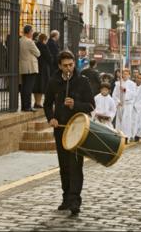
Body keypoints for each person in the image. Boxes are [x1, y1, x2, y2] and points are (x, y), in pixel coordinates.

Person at [43, 50, 95, 216]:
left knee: (75, 165)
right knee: (64, 166)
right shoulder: (53, 82)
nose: (68, 69)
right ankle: (66, 197)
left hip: (77, 129)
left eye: (71, 65)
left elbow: (91, 106)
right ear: (59, 65)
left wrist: (76, 105)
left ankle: (75, 200)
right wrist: (51, 118)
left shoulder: (82, 82)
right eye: (65, 66)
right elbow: (46, 104)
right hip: (60, 129)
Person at [19, 25, 40, 112]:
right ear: (29, 32)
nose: (32, 33)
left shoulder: (20, 40)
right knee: (29, 87)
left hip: (23, 67)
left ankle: (24, 106)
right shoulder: (29, 42)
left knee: (24, 87)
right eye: (32, 31)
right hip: (30, 67)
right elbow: (38, 53)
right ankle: (28, 106)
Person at [112, 68, 136, 143]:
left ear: (129, 75)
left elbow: (133, 94)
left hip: (127, 104)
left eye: (126, 74)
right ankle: (119, 136)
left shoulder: (132, 84)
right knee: (119, 121)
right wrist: (117, 101)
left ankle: (126, 137)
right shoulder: (118, 83)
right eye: (123, 74)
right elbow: (114, 94)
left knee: (126, 121)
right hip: (120, 104)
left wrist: (125, 90)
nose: (124, 75)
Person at [33, 33, 52, 108]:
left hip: (36, 66)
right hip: (43, 68)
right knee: (41, 85)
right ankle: (38, 103)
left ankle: (36, 102)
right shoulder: (44, 46)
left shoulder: (36, 45)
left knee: (36, 85)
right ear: (44, 39)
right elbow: (49, 57)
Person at [132, 73, 141, 141]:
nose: (139, 79)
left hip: (138, 108)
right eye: (138, 78)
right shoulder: (131, 86)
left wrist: (136, 106)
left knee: (139, 121)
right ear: (135, 78)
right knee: (131, 122)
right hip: (130, 106)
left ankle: (138, 135)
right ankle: (131, 135)